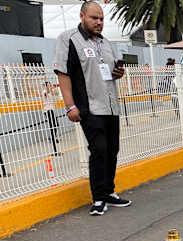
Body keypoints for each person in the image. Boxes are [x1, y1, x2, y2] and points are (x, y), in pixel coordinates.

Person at [53, 1, 129, 216]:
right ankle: (98, 198)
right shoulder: (68, 39)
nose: (99, 22)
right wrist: (70, 106)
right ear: (82, 16)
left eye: (101, 19)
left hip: (110, 106)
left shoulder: (106, 43)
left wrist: (118, 73)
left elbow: (109, 71)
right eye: (94, 18)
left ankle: (109, 191)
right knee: (99, 150)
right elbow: (63, 73)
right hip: (89, 106)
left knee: (112, 150)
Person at [41, 81, 60, 156]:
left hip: (51, 110)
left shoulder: (50, 92)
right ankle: (52, 138)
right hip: (48, 111)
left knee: (56, 124)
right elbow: (46, 93)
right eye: (49, 85)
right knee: (52, 125)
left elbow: (56, 93)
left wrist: (55, 87)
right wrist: (50, 88)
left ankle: (52, 137)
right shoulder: (44, 92)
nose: (50, 86)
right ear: (46, 86)